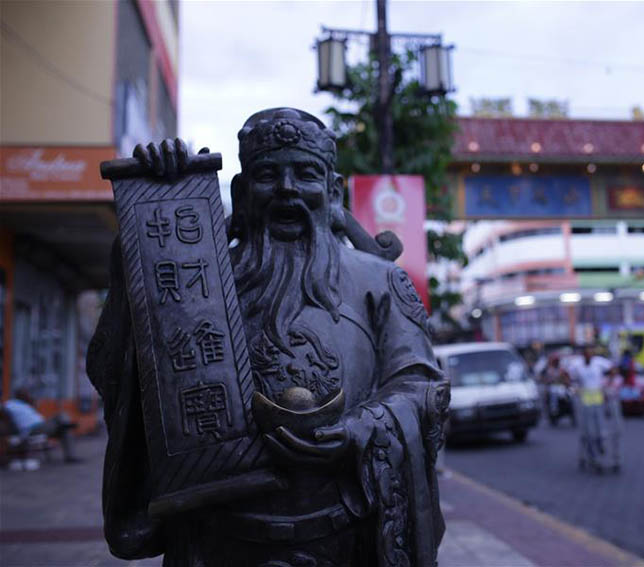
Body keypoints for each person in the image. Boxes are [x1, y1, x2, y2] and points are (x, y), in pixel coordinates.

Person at [86, 108, 448, 566]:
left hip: (346, 535)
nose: (287, 190)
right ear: (241, 192)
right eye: (267, 175)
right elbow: (117, 369)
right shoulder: (198, 280)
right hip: (216, 538)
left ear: (333, 192)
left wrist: (358, 431)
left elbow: (422, 386)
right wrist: (154, 217)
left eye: (306, 174)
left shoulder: (379, 281)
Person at [565, 345, 619, 470]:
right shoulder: (577, 364)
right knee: (587, 431)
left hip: (598, 400)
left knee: (599, 428)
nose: (589, 356)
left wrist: (609, 383)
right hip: (584, 401)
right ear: (583, 354)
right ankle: (589, 455)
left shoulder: (598, 362)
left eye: (591, 353)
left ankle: (598, 448)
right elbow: (565, 374)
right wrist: (572, 388)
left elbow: (613, 369)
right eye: (586, 353)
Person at [2, 389, 82, 463]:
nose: (28, 395)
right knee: (61, 416)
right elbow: (3, 410)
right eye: (25, 394)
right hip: (33, 429)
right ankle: (64, 424)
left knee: (65, 431)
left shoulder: (26, 405)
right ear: (18, 395)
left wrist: (31, 402)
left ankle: (70, 457)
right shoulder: (10, 404)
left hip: (43, 427)